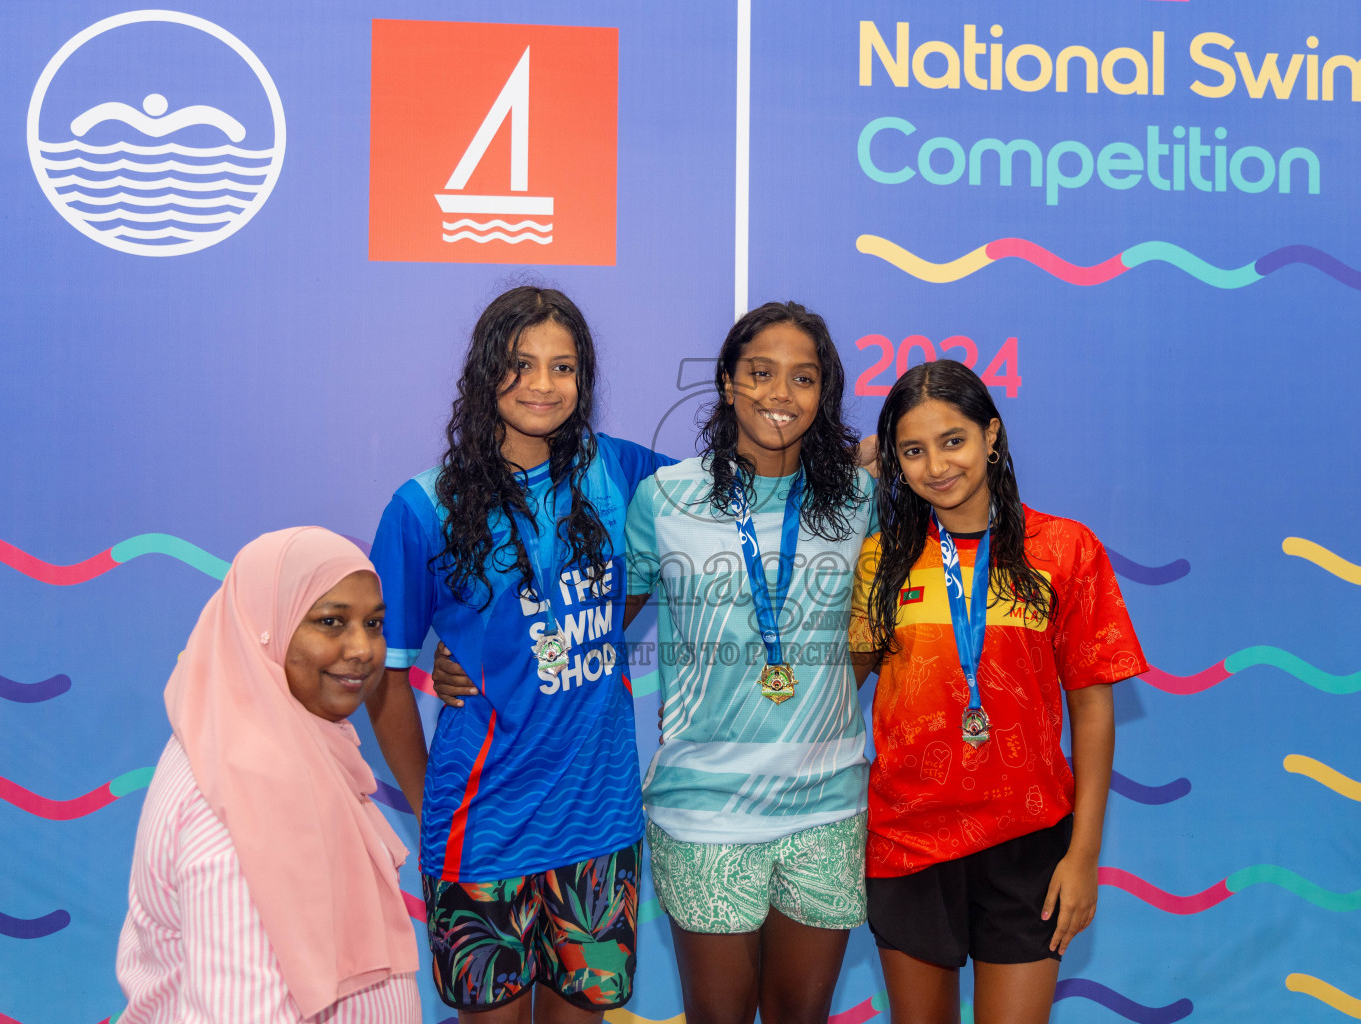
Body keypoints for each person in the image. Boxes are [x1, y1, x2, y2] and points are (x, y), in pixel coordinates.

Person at [366, 286, 672, 1021]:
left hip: (597, 827)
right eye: (521, 364)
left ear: (584, 380)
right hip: (480, 831)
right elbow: (383, 676)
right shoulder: (422, 505)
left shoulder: (624, 472)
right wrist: (425, 804)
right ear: (484, 374)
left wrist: (847, 455)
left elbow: (740, 490)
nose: (543, 385)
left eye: (562, 367)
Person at [849, 361, 1147, 1024]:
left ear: (992, 436)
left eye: (953, 440)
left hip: (1030, 843)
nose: (936, 466)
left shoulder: (1065, 549)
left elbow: (1093, 707)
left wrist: (1084, 854)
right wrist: (851, 478)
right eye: (913, 450)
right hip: (907, 842)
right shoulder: (880, 556)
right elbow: (839, 682)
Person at [623, 301, 874, 1024]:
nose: (779, 393)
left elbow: (878, 625)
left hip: (828, 807)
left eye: (802, 378)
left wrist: (819, 690)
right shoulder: (666, 497)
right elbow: (601, 623)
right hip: (705, 809)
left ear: (823, 395)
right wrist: (478, 653)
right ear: (728, 383)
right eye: (760, 372)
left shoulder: (858, 500)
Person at [116, 527, 419, 1023]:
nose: (363, 648)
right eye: (330, 622)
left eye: (374, 623)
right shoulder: (247, 796)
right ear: (266, 627)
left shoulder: (267, 741)